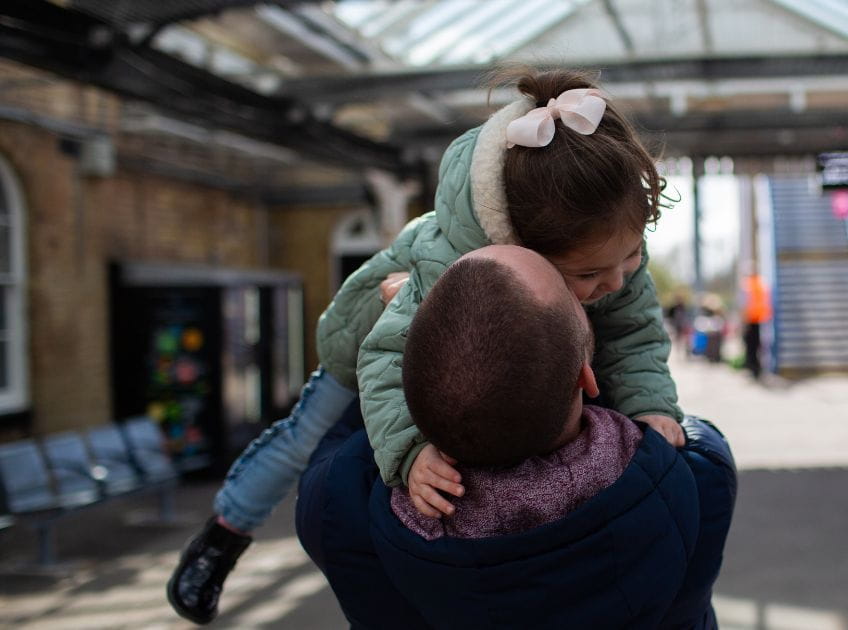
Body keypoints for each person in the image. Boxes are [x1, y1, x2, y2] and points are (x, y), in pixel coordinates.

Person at [168, 67, 686, 624]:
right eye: (589, 275)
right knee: (303, 439)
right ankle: (224, 534)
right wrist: (412, 449)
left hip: (452, 363)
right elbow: (385, 360)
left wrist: (649, 406)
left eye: (632, 256)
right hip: (370, 344)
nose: (617, 282)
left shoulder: (606, 250)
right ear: (519, 248)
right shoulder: (451, 265)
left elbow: (633, 335)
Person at [295, 245, 737, 628]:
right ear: (586, 377)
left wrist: (391, 349)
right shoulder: (699, 474)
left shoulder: (340, 505)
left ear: (411, 379)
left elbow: (340, 429)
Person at [741, 270, 772, 379]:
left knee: (750, 346)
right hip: (761, 319)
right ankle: (758, 368)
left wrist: (743, 319)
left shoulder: (747, 285)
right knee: (758, 344)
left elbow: (744, 304)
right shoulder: (762, 284)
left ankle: (753, 368)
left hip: (751, 319)